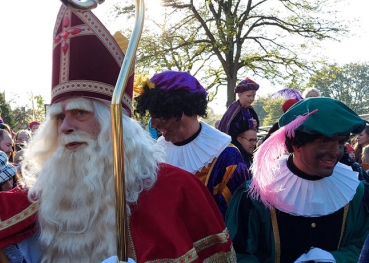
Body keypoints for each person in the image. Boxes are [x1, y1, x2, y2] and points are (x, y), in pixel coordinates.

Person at [0, 0, 235, 262]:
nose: (65, 127)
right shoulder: (47, 194)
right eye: (59, 117)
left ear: (114, 125)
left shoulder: (179, 190)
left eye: (80, 113)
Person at [226, 97, 369, 262]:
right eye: (324, 142)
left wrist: (334, 258)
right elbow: (237, 254)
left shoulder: (354, 192)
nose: (336, 152)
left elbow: (362, 245)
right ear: (296, 144)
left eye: (340, 142)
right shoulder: (255, 195)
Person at [134, 70, 250, 217]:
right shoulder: (156, 154)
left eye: (158, 117)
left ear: (178, 111)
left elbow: (235, 223)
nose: (153, 125)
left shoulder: (226, 158)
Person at [218, 77, 260, 142]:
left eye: (253, 96)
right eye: (249, 96)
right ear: (240, 95)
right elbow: (229, 128)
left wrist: (255, 125)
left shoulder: (251, 110)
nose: (252, 99)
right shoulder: (234, 109)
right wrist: (247, 124)